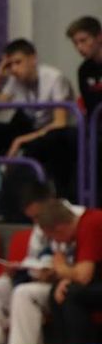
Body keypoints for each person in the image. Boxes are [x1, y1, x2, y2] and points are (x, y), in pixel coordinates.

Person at [0, 39, 76, 214]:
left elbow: (60, 123)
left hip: (55, 133)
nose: (14, 69)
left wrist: (20, 140)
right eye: (10, 65)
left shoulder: (54, 78)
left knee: (41, 144)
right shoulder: (14, 81)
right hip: (30, 128)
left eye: (18, 62)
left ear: (33, 59)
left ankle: (21, 207)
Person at [0, 182, 85, 344]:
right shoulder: (40, 225)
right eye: (32, 218)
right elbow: (34, 258)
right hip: (36, 277)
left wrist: (57, 272)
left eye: (37, 216)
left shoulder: (80, 219)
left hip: (60, 282)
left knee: (24, 293)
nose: (36, 222)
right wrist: (18, 269)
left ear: (50, 201)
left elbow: (84, 267)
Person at [38, 199, 102, 344]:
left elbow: (83, 276)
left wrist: (60, 266)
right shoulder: (83, 226)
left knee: (71, 294)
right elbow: (87, 271)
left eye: (53, 237)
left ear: (59, 229)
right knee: (59, 290)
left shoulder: (91, 224)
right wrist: (66, 279)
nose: (57, 242)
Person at [65, 16, 102, 204]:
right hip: (94, 126)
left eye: (83, 40)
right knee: (60, 140)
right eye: (75, 43)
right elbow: (89, 105)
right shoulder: (84, 70)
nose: (80, 47)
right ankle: (70, 201)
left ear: (99, 37)